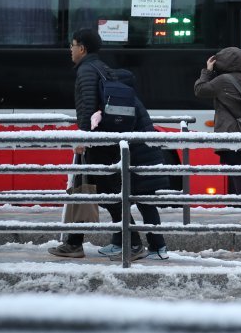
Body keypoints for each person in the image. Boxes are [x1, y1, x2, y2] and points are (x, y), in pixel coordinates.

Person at [49, 28, 169, 260]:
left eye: (72, 45)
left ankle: (129, 243)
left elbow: (87, 106)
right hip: (108, 139)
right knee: (90, 190)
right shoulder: (101, 68)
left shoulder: (86, 70)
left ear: (82, 48)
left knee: (103, 192)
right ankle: (77, 242)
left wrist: (83, 137)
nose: (70, 50)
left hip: (99, 141)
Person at [194, 46, 241, 226]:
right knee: (240, 170)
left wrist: (207, 71)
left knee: (235, 172)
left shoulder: (223, 80)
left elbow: (200, 90)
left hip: (229, 133)